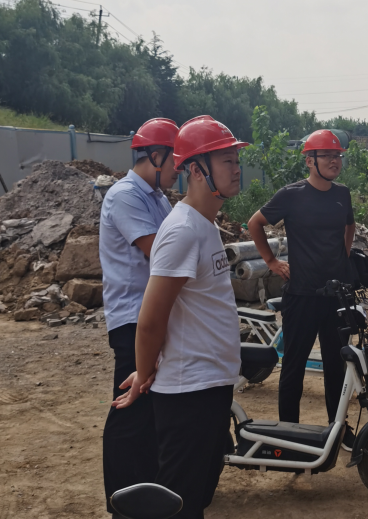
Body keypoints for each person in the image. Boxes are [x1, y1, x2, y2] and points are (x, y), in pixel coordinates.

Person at [112, 115, 246, 519]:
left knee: (197, 496)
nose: (237, 169)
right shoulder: (182, 230)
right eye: (226, 161)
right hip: (189, 391)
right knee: (181, 502)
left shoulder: (205, 224)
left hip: (210, 384)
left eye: (235, 160)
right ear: (196, 170)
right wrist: (143, 373)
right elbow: (151, 318)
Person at [246, 129, 356, 450]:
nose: (335, 161)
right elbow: (255, 223)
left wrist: (343, 257)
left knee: (337, 367)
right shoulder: (290, 195)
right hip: (302, 296)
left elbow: (349, 227)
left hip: (335, 296)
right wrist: (270, 261)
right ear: (310, 161)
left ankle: (338, 430)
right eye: (327, 156)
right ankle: (288, 436)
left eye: (337, 156)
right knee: (293, 366)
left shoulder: (343, 194)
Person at [99, 117, 178, 516]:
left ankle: (147, 489)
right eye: (175, 158)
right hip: (132, 318)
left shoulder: (159, 196)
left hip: (154, 313)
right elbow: (159, 251)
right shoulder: (125, 195)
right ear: (156, 155)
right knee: (130, 410)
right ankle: (122, 499)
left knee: (149, 409)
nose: (180, 167)